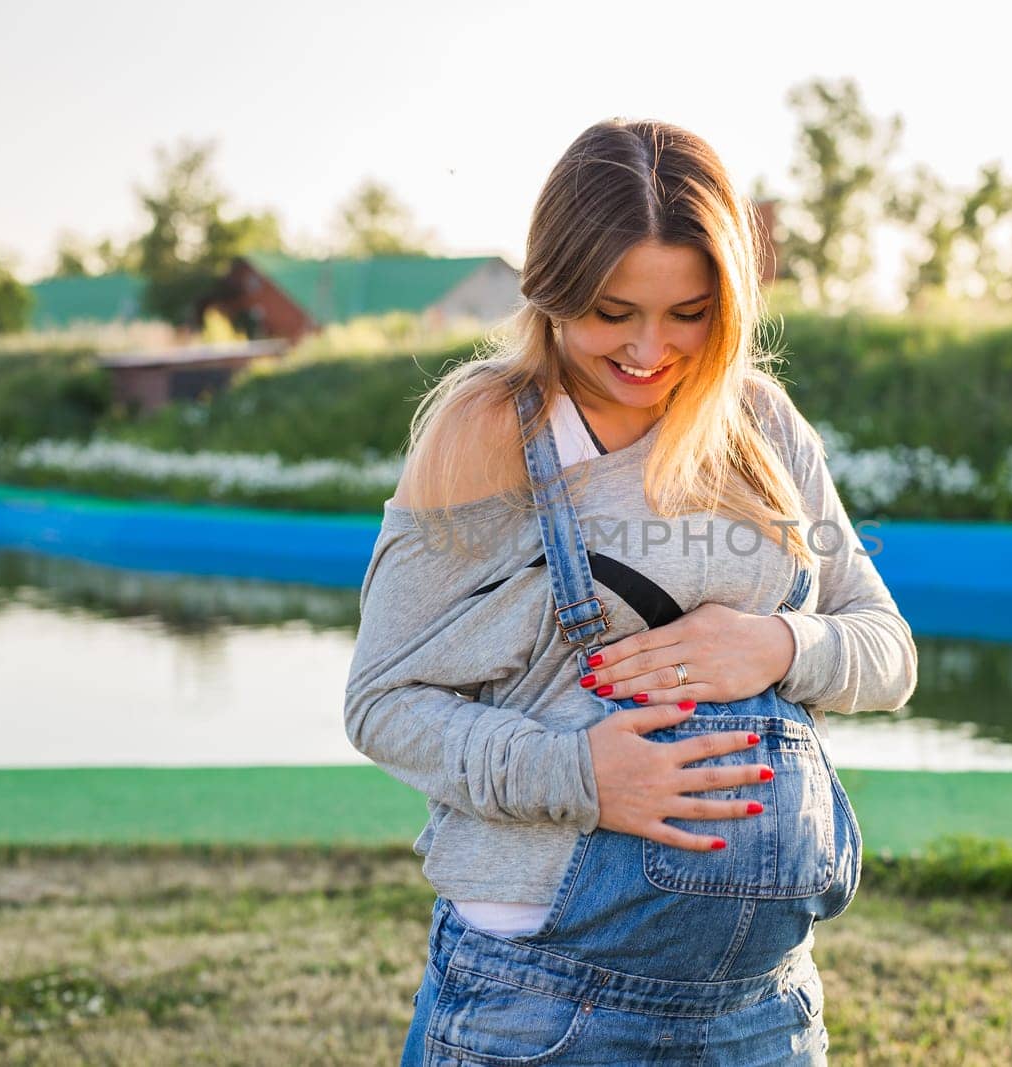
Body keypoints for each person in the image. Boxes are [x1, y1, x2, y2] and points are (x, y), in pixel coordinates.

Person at [344, 117, 918, 1066]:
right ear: (553, 289)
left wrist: (778, 645)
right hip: (540, 1004)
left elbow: (887, 648)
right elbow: (383, 703)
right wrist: (582, 778)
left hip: (761, 1012)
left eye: (688, 312)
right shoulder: (486, 435)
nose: (651, 349)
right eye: (613, 311)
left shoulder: (762, 428)